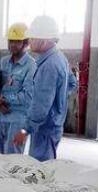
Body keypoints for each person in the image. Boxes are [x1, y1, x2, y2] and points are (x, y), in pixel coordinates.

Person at [13, 15, 77, 161]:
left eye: (32, 38)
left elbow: (41, 106)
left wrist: (24, 130)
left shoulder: (48, 66)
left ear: (44, 40)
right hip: (53, 125)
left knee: (40, 168)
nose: (29, 41)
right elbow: (72, 83)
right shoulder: (59, 57)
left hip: (45, 129)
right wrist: (58, 101)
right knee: (46, 165)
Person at [0, 22, 36, 155]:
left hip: (18, 120)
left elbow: (27, 96)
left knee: (13, 156)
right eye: (11, 41)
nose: (13, 45)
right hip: (1, 116)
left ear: (26, 43)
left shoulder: (31, 65)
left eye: (17, 41)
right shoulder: (4, 61)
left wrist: (4, 99)